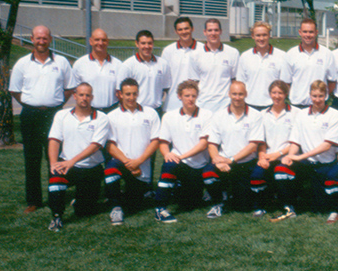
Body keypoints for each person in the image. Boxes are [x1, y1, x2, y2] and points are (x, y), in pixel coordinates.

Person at [9, 25, 75, 214]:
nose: (41, 41)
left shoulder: (61, 62)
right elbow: (14, 90)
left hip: (54, 115)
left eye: (44, 38)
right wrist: (32, 103)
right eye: (38, 38)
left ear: (50, 39)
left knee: (54, 158)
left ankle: (56, 196)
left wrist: (56, 103)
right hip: (30, 115)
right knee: (32, 158)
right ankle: (34, 201)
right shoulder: (22, 63)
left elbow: (70, 87)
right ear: (32, 39)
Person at [272, 80, 338, 224]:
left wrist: (300, 156)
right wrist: (290, 156)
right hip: (307, 164)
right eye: (314, 96)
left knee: (321, 206)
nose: (317, 99)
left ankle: (336, 211)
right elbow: (295, 141)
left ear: (326, 96)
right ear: (310, 95)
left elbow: (327, 145)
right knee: (281, 169)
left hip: (327, 164)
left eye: (320, 96)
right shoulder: (301, 114)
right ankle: (289, 208)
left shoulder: (335, 114)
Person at [46, 83, 110, 231]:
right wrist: (53, 163)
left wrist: (72, 161)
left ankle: (80, 202)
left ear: (92, 97)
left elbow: (95, 145)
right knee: (55, 176)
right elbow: (54, 140)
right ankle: (56, 217)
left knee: (84, 212)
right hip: (67, 165)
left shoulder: (101, 118)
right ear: (75, 96)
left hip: (91, 168)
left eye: (88, 95)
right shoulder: (61, 115)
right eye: (81, 95)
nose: (84, 98)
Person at [152, 80, 213, 223]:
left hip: (200, 167)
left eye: (193, 96)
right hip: (180, 165)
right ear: (179, 96)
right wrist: (167, 154)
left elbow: (203, 144)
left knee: (191, 204)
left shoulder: (207, 115)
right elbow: (163, 142)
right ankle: (160, 209)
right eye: (187, 96)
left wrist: (181, 156)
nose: (190, 99)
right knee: (169, 164)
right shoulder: (169, 116)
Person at [104, 78, 161, 225]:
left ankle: (120, 197)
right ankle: (115, 207)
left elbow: (155, 141)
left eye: (134, 94)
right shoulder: (112, 116)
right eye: (127, 94)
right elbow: (110, 145)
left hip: (141, 169)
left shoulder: (151, 113)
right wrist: (128, 163)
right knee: (110, 168)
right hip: (122, 163)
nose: (131, 97)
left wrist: (138, 162)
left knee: (133, 206)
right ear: (120, 95)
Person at [205, 81, 265, 219]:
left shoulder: (255, 115)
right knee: (208, 173)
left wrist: (231, 160)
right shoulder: (218, 115)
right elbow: (212, 143)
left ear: (246, 94)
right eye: (234, 94)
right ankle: (218, 204)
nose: (237, 97)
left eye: (240, 94)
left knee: (243, 206)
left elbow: (253, 145)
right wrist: (216, 160)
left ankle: (256, 205)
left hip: (246, 163)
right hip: (224, 163)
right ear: (229, 94)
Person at [251, 80, 298, 213]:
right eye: (274, 92)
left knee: (281, 172)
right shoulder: (262, 114)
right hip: (267, 156)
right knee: (256, 174)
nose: (277, 96)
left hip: (286, 157)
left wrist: (279, 154)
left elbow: (296, 141)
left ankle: (288, 205)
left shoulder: (296, 113)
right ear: (270, 93)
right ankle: (260, 207)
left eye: (280, 93)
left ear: (286, 94)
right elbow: (261, 140)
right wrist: (261, 157)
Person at [238, 22, 290, 111]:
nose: (261, 38)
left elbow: (285, 84)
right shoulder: (245, 56)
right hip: (250, 105)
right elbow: (241, 83)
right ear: (252, 36)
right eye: (258, 35)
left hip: (272, 105)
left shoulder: (282, 56)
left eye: (264, 35)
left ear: (269, 35)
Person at [285, 18, 336, 108]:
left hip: (319, 104)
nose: (308, 35)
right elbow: (286, 83)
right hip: (297, 105)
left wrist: (320, 96)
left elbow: (332, 82)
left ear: (316, 33)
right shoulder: (291, 54)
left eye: (311, 32)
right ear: (300, 32)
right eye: (305, 32)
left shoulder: (327, 53)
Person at [191, 18, 239, 112]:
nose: (213, 33)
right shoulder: (195, 54)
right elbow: (194, 83)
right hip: (202, 104)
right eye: (210, 30)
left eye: (216, 30)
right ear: (205, 32)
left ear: (220, 31)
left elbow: (234, 80)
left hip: (225, 105)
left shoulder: (232, 53)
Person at [117, 30, 171, 113]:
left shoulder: (163, 64)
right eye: (143, 43)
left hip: (156, 110)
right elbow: (120, 92)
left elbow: (165, 88)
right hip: (136, 110)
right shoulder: (128, 65)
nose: (147, 46)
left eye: (149, 43)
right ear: (137, 44)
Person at [72, 28, 122, 113]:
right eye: (97, 40)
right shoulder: (79, 64)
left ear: (108, 42)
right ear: (90, 41)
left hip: (111, 111)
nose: (100, 43)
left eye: (104, 40)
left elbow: (120, 92)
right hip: (88, 111)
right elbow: (75, 91)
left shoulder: (118, 65)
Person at [161, 17, 203, 113]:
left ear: (192, 29)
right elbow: (165, 79)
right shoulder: (168, 51)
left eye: (186, 28)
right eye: (180, 29)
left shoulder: (203, 49)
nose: (184, 32)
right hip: (173, 104)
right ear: (176, 31)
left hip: (197, 103)